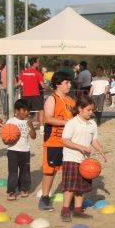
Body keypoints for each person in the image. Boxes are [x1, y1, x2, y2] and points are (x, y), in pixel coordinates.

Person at [60, 94, 106, 222]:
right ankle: (65, 210)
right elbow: (65, 140)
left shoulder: (92, 123)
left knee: (81, 187)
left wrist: (101, 150)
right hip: (71, 158)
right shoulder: (72, 123)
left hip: (85, 161)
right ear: (80, 109)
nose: (91, 113)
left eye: (92, 110)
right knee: (70, 186)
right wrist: (80, 147)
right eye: (88, 110)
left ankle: (78, 210)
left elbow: (94, 140)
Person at [39, 71, 76, 211]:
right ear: (58, 85)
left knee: (70, 170)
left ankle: (70, 199)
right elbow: (48, 118)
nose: (69, 85)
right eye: (66, 82)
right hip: (53, 141)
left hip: (68, 142)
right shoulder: (51, 99)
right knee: (50, 171)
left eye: (69, 82)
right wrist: (67, 122)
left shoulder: (70, 100)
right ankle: (45, 198)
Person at [4, 99, 36, 200]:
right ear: (17, 110)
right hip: (13, 151)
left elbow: (33, 136)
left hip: (25, 151)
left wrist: (31, 126)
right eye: (24, 110)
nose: (27, 112)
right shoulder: (11, 121)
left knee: (25, 172)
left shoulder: (28, 122)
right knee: (13, 172)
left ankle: (24, 189)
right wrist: (9, 140)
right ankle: (11, 191)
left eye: (28, 110)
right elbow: (5, 139)